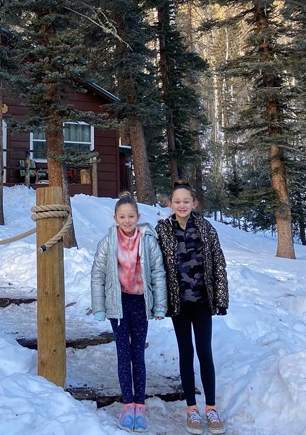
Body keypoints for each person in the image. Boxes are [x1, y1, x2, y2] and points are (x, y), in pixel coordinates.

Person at [155, 181, 228, 435]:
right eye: (177, 201)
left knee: (204, 351)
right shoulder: (162, 230)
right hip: (179, 303)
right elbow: (156, 266)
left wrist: (220, 298)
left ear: (194, 204)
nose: (182, 205)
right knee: (185, 352)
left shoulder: (206, 229)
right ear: (170, 204)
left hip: (202, 301)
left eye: (186, 201)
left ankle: (210, 407)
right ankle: (191, 408)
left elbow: (218, 263)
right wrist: (158, 301)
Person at [91, 192, 167, 432]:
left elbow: (158, 272)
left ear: (138, 216)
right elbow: (98, 274)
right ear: (115, 218)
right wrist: (100, 307)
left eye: (131, 216)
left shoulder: (147, 240)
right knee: (123, 353)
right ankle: (127, 405)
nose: (127, 221)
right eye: (122, 216)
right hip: (118, 303)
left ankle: (140, 406)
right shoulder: (108, 242)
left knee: (138, 354)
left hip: (140, 302)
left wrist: (160, 305)